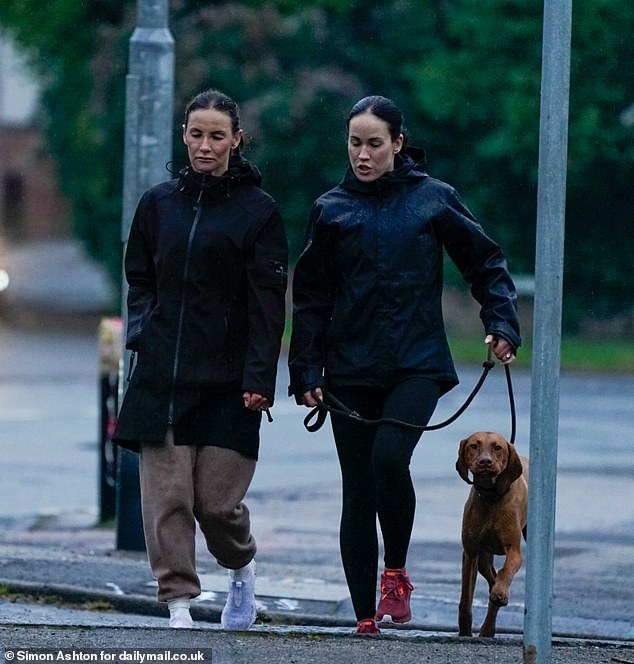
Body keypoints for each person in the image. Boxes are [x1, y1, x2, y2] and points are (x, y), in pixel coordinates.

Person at [288, 95, 520, 635]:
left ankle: (395, 572)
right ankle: (365, 617)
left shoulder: (432, 200)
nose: (362, 155)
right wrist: (306, 373)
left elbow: (485, 261)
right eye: (354, 144)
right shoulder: (331, 208)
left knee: (389, 458)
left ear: (398, 142)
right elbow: (312, 298)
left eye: (374, 144)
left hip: (416, 363)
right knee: (357, 487)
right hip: (347, 369)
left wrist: (502, 323)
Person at [113, 89, 288, 631]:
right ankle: (179, 606)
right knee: (167, 498)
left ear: (237, 140)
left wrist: (259, 377)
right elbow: (138, 276)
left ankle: (241, 570)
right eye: (196, 134)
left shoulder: (259, 213)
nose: (205, 146)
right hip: (163, 375)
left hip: (231, 382)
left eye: (217, 136)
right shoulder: (157, 204)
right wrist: (145, 327)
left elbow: (267, 306)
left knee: (215, 505)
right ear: (184, 136)